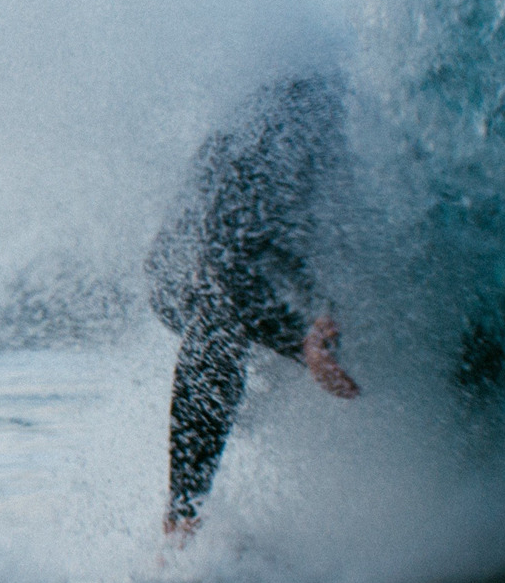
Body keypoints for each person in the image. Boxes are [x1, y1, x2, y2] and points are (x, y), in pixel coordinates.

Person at [145, 76, 359, 537]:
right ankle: (182, 519)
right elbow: (227, 261)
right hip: (184, 269)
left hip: (268, 255)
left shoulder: (369, 131)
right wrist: (301, 341)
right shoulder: (286, 135)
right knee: (223, 323)